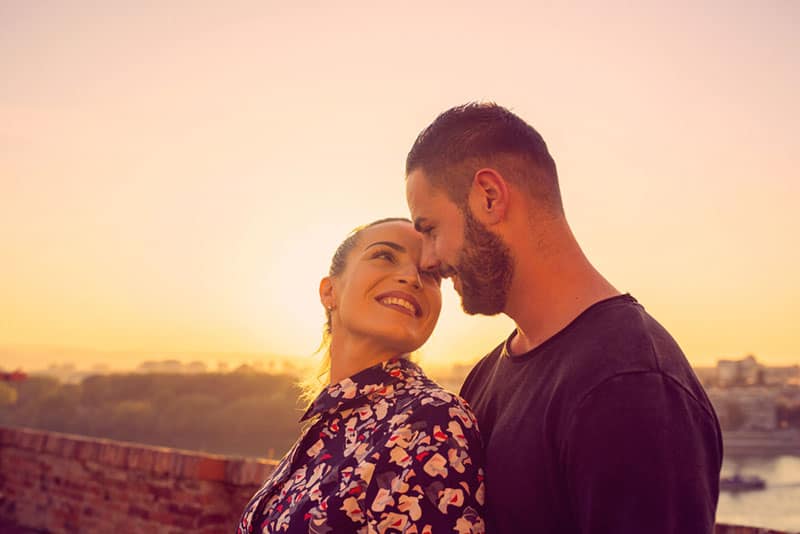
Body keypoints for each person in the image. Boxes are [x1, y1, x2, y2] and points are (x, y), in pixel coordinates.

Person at [405, 103, 723, 534]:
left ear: (489, 197)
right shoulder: (486, 376)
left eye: (429, 230)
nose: (427, 260)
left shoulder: (631, 385)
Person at [237, 218, 486, 534]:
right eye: (385, 256)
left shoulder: (431, 419)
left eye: (430, 273)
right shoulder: (328, 425)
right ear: (330, 291)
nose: (412, 278)